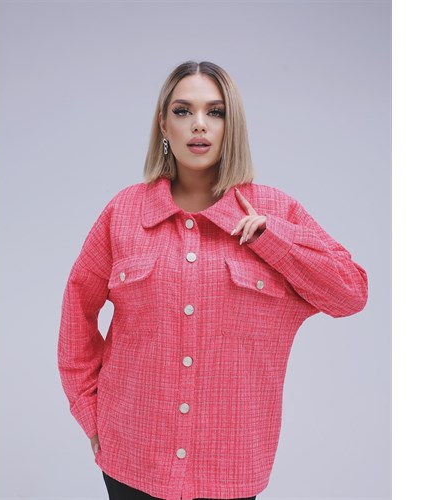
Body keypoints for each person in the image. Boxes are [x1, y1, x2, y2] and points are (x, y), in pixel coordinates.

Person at [58, 60, 368, 500]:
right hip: (131, 454)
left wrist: (272, 238)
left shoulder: (276, 211)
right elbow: (77, 310)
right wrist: (90, 412)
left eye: (215, 112)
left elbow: (350, 293)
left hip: (231, 464)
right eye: (183, 111)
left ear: (231, 124)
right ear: (163, 124)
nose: (199, 124)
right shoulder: (123, 213)